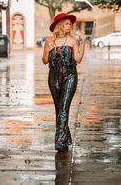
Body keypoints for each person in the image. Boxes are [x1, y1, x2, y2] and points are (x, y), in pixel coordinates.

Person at [42, 12, 86, 152]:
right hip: (53, 76)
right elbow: (44, 61)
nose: (69, 26)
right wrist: (47, 51)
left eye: (70, 24)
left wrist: (83, 43)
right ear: (60, 25)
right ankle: (65, 138)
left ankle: (60, 143)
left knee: (63, 108)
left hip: (70, 75)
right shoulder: (49, 41)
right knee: (59, 109)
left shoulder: (72, 40)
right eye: (67, 23)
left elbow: (78, 59)